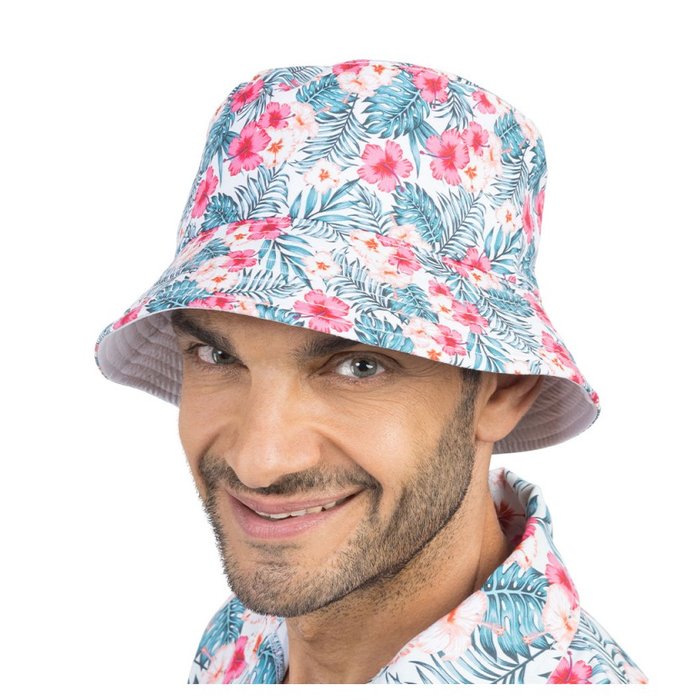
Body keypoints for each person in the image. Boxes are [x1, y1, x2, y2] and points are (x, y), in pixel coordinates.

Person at [94, 58, 647, 684]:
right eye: (218, 356)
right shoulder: (242, 637)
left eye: (358, 366)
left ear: (503, 390)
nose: (259, 463)